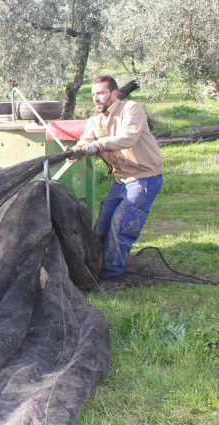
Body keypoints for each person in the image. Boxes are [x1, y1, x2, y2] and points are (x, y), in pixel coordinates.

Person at [72, 75, 164, 291]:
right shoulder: (95, 120)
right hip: (121, 180)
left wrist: (97, 145)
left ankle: (114, 279)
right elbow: (86, 140)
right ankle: (98, 270)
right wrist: (78, 149)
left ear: (115, 93)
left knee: (121, 226)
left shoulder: (131, 110)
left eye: (101, 93)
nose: (96, 98)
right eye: (93, 94)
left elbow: (127, 138)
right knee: (101, 226)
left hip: (145, 178)